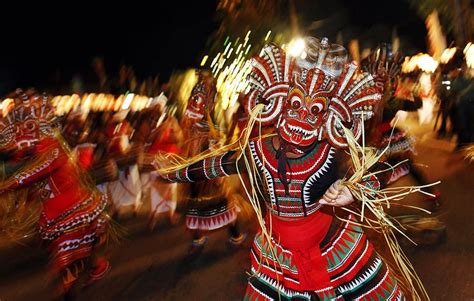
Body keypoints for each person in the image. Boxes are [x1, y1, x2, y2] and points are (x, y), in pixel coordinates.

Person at [155, 39, 407, 299]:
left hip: (331, 250)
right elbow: (217, 165)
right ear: (282, 101)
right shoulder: (257, 151)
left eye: (315, 110)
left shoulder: (331, 154)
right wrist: (175, 172)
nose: (302, 117)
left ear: (326, 116)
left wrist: (354, 190)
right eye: (296, 104)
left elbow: (378, 170)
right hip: (276, 257)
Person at [0, 89, 110, 298]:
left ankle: (73, 284)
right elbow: (22, 167)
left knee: (67, 266)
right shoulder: (35, 151)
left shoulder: (51, 150)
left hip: (70, 211)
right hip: (56, 212)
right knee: (72, 257)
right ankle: (96, 267)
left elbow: (27, 176)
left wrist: (4, 186)